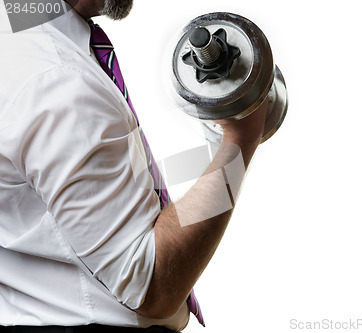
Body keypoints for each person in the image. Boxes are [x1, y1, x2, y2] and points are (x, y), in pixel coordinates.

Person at [0, 0, 268, 331]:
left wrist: (216, 149)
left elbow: (117, 186)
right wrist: (240, 143)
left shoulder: (15, 36)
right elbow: (152, 285)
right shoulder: (58, 81)